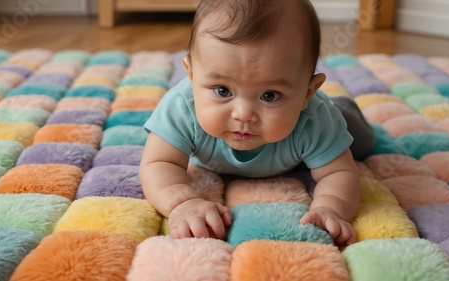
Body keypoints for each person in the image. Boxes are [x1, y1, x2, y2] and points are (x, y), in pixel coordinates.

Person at [140, 0, 369, 246]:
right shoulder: (182, 107)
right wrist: (183, 203)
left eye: (269, 95)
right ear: (192, 75)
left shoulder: (316, 120)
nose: (243, 114)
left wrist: (331, 208)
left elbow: (338, 172)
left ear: (307, 92)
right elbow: (158, 163)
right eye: (222, 90)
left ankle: (345, 106)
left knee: (364, 143)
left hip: (327, 125)